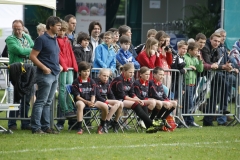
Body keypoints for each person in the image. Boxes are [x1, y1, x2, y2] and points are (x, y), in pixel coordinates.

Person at [30, 16, 62, 134]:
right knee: (41, 101)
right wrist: (44, 67)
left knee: (48, 102)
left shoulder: (55, 39)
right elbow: (32, 56)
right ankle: (36, 127)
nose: (60, 27)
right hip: (45, 75)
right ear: (51, 26)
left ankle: (46, 126)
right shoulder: (41, 39)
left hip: (54, 74)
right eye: (58, 25)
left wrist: (58, 65)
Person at [110, 63, 161, 133]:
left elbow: (132, 93)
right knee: (136, 104)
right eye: (130, 72)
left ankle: (148, 127)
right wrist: (135, 100)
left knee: (142, 103)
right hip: (116, 99)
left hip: (126, 99)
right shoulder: (119, 79)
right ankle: (151, 123)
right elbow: (122, 96)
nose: (132, 74)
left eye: (133, 72)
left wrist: (138, 100)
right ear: (124, 71)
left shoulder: (130, 80)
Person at [5, 20, 34, 130]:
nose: (17, 31)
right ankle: (12, 124)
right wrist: (30, 51)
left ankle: (25, 123)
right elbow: (19, 51)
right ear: (13, 28)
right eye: (15, 28)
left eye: (19, 28)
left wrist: (29, 51)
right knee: (16, 98)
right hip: (16, 71)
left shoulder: (27, 37)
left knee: (27, 98)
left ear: (23, 28)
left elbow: (34, 47)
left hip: (29, 70)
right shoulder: (10, 39)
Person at [201, 32, 232, 126]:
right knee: (225, 86)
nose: (217, 43)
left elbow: (216, 64)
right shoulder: (205, 48)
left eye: (218, 41)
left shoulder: (218, 49)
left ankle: (208, 120)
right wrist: (222, 67)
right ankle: (222, 109)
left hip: (213, 73)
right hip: (205, 73)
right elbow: (209, 63)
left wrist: (226, 66)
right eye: (215, 41)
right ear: (210, 40)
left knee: (214, 97)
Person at [72, 61, 108, 134]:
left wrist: (91, 102)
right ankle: (79, 127)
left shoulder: (92, 81)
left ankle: (101, 126)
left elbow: (93, 95)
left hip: (91, 100)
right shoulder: (76, 82)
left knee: (105, 106)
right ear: (79, 72)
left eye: (88, 71)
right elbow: (77, 97)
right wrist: (87, 102)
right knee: (80, 104)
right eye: (84, 71)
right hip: (81, 101)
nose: (86, 73)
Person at [57, 20, 78, 118]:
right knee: (62, 89)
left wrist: (75, 66)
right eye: (60, 30)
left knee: (70, 87)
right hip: (63, 68)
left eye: (63, 30)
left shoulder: (67, 40)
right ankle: (64, 109)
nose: (61, 32)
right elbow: (58, 54)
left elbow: (71, 53)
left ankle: (70, 108)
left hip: (69, 68)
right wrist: (64, 65)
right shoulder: (56, 40)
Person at [95, 68, 123, 133]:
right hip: (97, 101)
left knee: (120, 103)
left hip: (105, 100)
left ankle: (114, 122)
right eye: (104, 76)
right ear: (99, 75)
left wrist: (114, 103)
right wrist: (107, 103)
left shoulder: (107, 83)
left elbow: (111, 95)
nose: (106, 78)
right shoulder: (95, 82)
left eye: (107, 76)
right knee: (118, 103)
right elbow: (98, 96)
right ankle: (106, 122)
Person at [182, 42, 203, 127]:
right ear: (190, 50)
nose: (197, 52)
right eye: (196, 50)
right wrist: (189, 67)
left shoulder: (195, 58)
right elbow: (184, 66)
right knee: (188, 103)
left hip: (193, 83)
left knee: (189, 103)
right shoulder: (185, 57)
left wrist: (200, 60)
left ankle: (188, 120)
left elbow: (200, 69)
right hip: (186, 83)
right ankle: (188, 120)